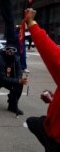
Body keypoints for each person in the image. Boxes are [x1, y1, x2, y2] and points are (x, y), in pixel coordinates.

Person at [24, 8, 60, 151]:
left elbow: (53, 56)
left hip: (56, 138)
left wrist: (31, 23)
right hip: (52, 129)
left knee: (33, 122)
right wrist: (54, 99)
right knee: (34, 122)